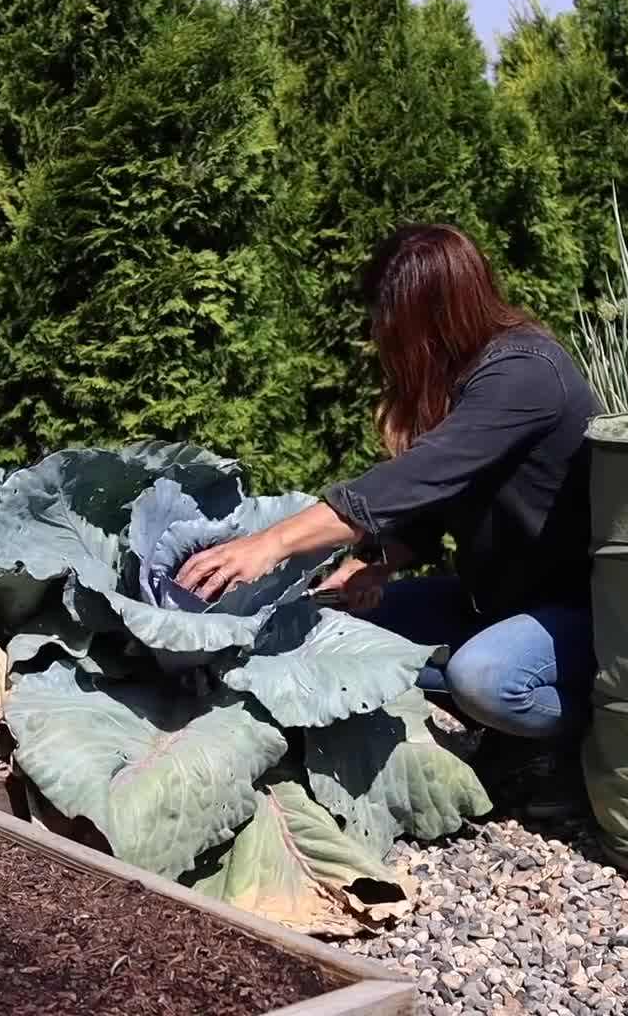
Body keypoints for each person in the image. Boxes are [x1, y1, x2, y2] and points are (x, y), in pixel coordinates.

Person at [176, 222, 602, 818]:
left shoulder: (524, 374)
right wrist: (374, 564)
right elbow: (440, 502)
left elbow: (417, 478)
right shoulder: (467, 374)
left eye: (386, 316)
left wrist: (270, 544)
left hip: (578, 613)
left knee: (482, 680)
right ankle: (515, 735)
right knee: (327, 628)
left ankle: (587, 742)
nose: (378, 332)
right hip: (494, 601)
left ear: (430, 312)